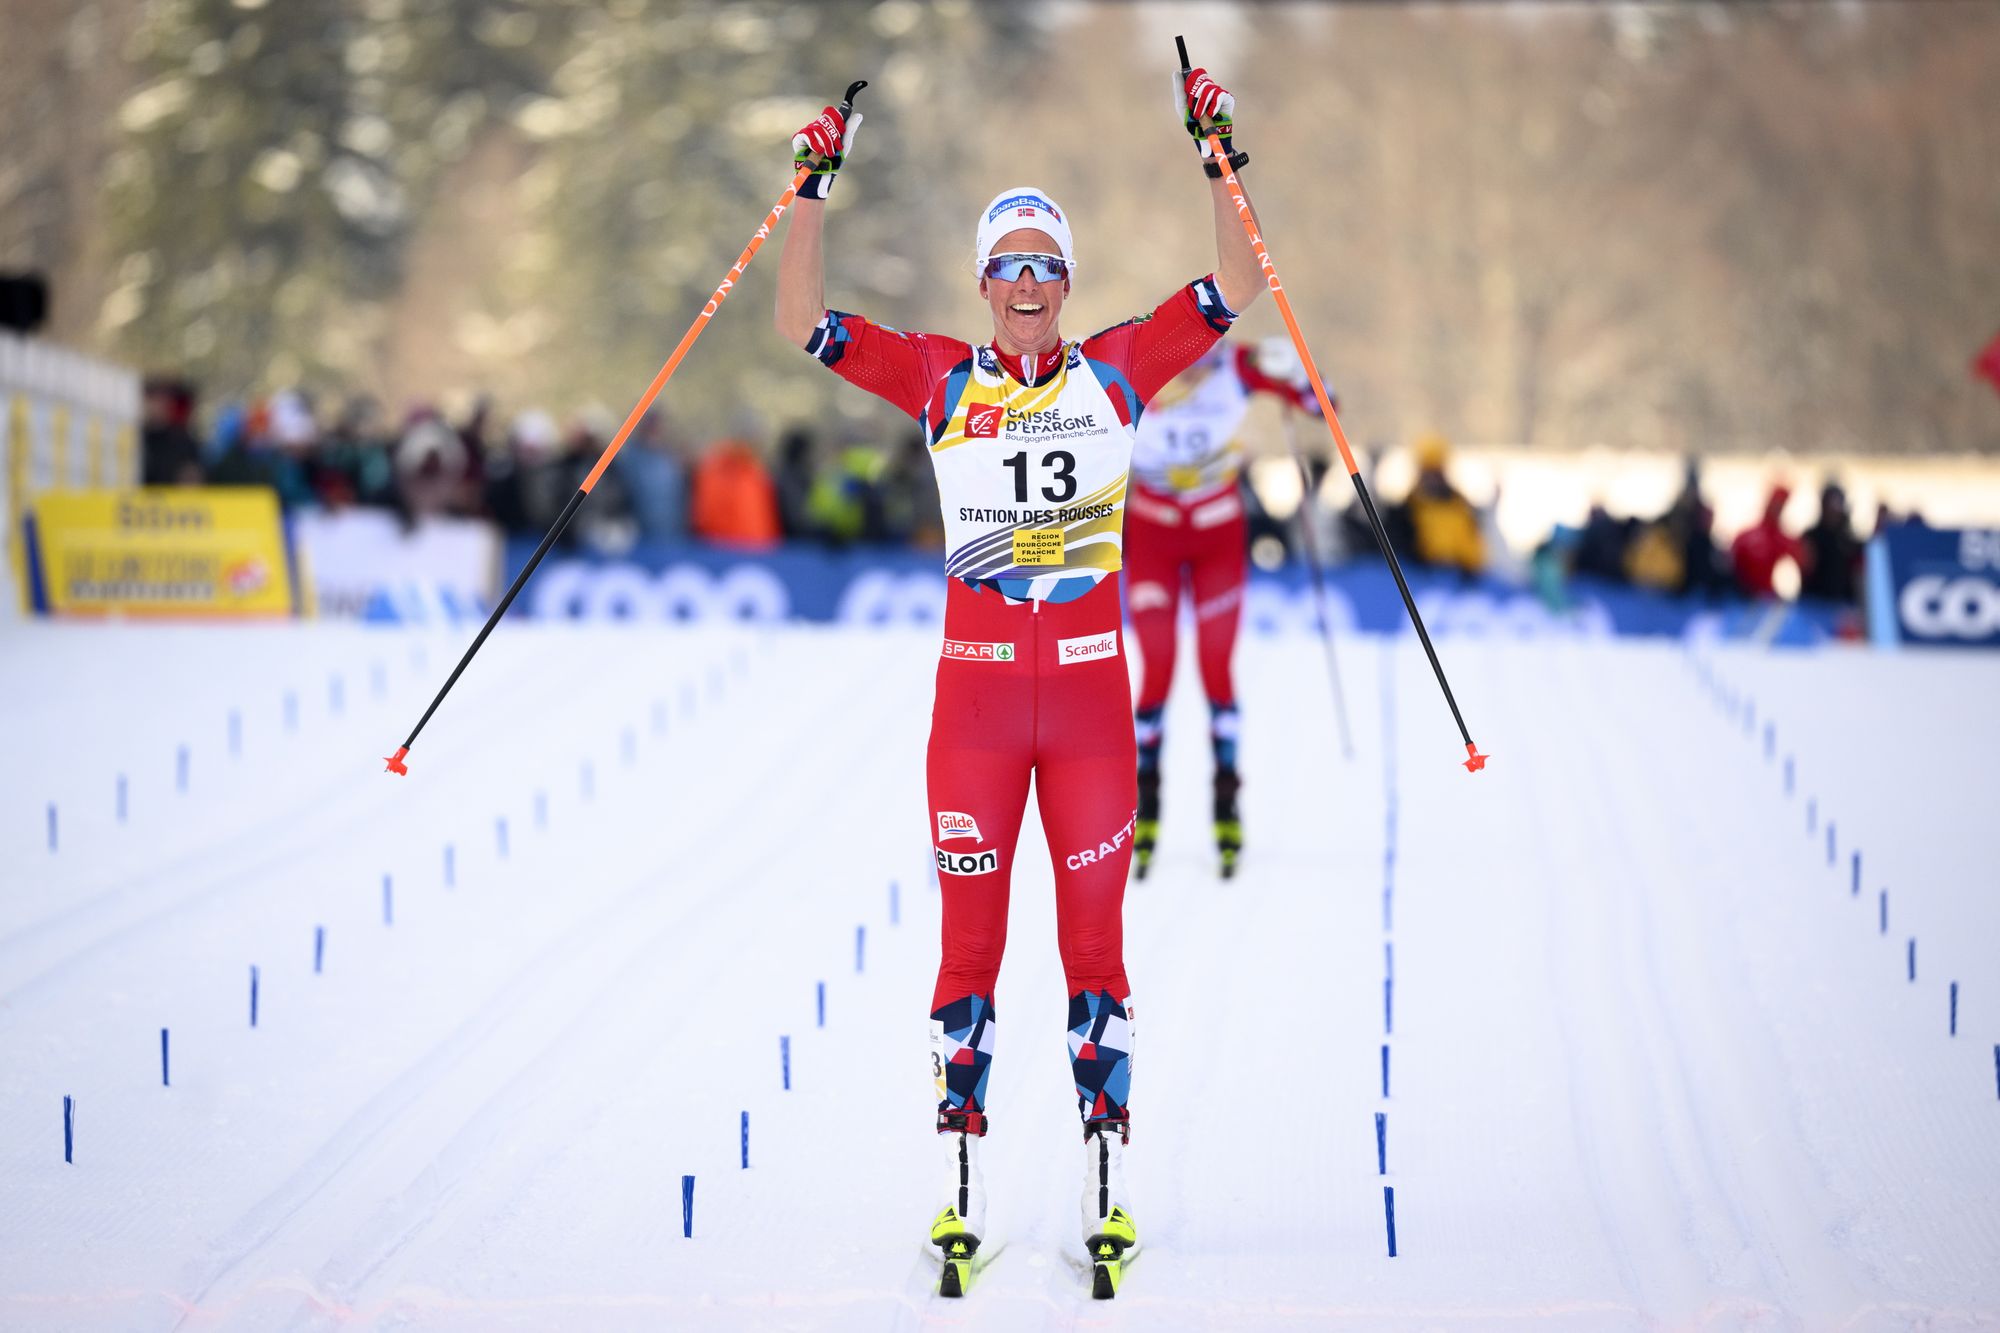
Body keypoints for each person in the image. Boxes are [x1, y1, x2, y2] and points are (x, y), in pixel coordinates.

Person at [774, 65, 1263, 1294]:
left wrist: (1218, 157)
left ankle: (1106, 1173)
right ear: (984, 281)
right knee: (967, 953)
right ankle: (959, 1177)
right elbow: (802, 323)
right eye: (1013, 265)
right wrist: (808, 188)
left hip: (1094, 713)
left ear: (1067, 284)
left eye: (1050, 266)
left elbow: (1238, 289)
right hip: (977, 715)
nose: (1032, 287)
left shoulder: (1115, 375)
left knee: (1094, 950)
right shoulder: (941, 379)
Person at [1124, 337, 1316, 880]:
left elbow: (1320, 406)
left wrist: (1301, 373)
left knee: (1215, 667)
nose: (1190, 376)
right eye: (1180, 367)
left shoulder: (1236, 364)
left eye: (1200, 365)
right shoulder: (1132, 362)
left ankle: (1227, 805)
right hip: (1153, 535)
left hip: (1217, 536)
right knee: (1156, 669)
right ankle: (1145, 806)